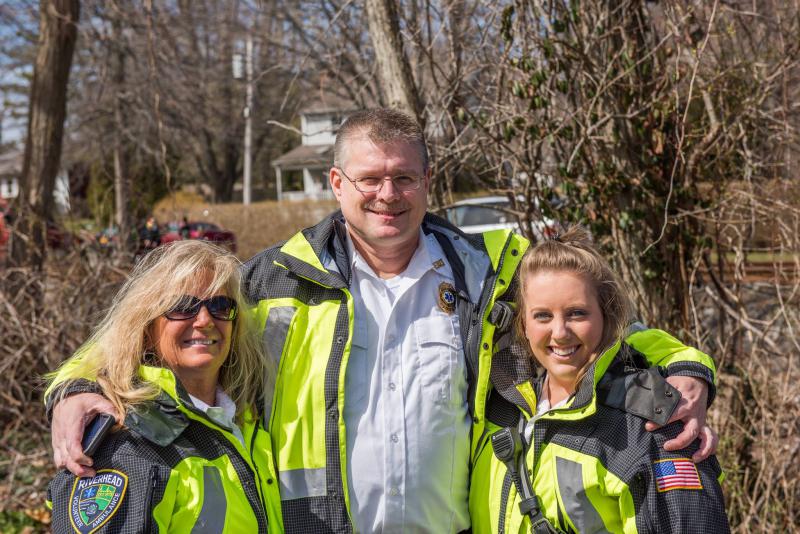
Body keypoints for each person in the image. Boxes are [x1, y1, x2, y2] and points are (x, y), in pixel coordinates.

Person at [47, 108, 718, 533]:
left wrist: (686, 367)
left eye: (403, 177)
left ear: (428, 182)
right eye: (369, 177)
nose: (386, 194)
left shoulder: (490, 273)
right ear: (336, 185)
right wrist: (76, 386)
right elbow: (156, 331)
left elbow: (589, 328)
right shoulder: (272, 279)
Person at [470, 227, 729, 533]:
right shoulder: (497, 411)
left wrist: (692, 370)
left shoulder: (650, 427)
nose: (560, 332)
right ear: (522, 324)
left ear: (606, 315)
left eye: (577, 313)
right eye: (542, 316)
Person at [46, 241, 282, 532]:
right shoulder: (128, 443)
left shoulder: (245, 422)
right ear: (146, 328)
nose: (205, 320)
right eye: (182, 307)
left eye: (221, 306)